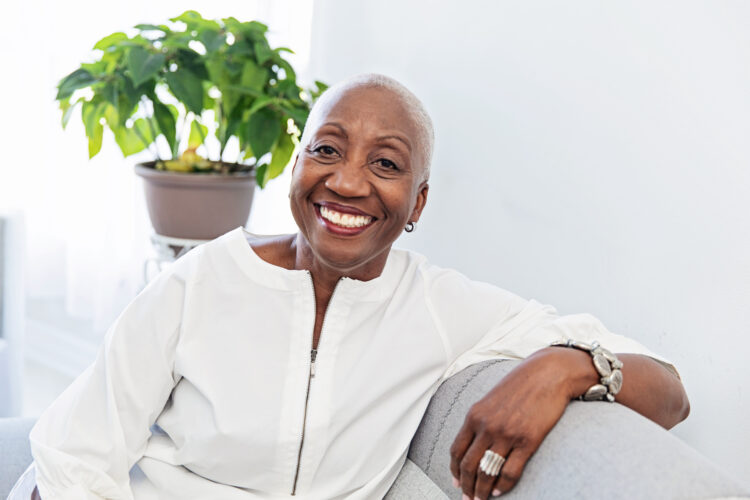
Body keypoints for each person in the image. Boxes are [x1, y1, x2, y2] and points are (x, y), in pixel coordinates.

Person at [11, 74, 689, 500]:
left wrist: (562, 366)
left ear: (417, 204)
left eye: (385, 163)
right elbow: (77, 454)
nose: (347, 181)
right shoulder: (198, 282)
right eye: (326, 149)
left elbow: (671, 395)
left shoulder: (445, 307)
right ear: (295, 169)